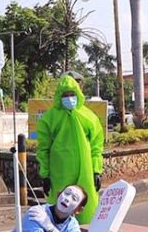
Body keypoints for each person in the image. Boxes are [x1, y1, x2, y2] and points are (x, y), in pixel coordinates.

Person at [36, 75, 104, 224]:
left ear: (78, 94)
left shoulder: (88, 117)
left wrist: (96, 170)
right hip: (60, 173)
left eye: (72, 94)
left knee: (86, 209)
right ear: (59, 96)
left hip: (85, 172)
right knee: (60, 209)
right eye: (65, 95)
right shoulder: (50, 118)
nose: (69, 98)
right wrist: (45, 175)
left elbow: (96, 146)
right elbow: (43, 149)